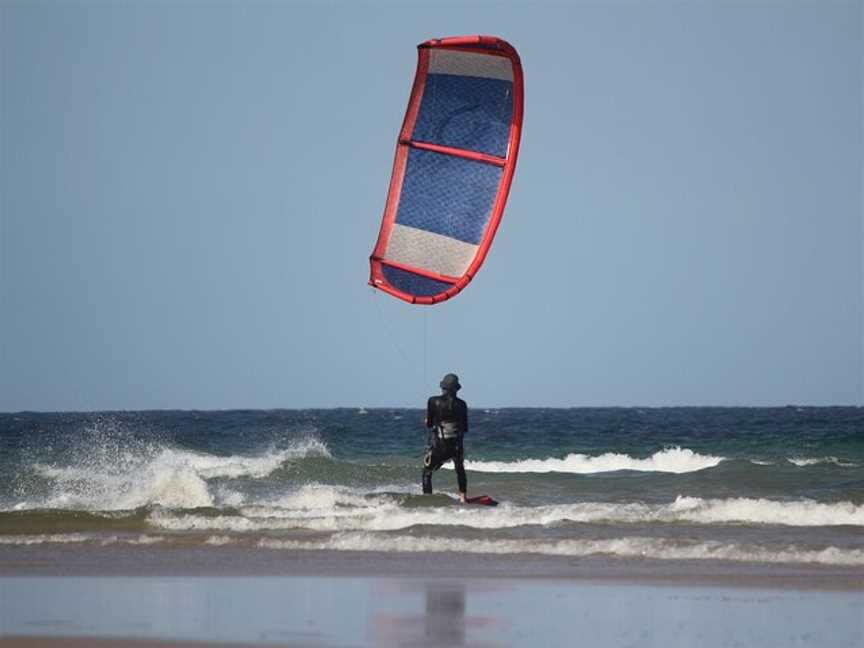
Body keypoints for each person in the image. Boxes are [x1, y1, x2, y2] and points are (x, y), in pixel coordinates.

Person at [423, 373, 468, 503]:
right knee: (459, 469)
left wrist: (427, 420)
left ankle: (427, 501)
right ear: (456, 388)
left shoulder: (433, 401)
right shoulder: (462, 404)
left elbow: (429, 424)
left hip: (440, 446)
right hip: (457, 446)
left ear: (443, 387)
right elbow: (464, 428)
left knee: (427, 472)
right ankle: (463, 498)